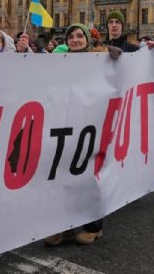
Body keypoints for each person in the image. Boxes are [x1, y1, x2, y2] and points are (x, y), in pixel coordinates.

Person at [43, 23, 120, 246]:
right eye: (71, 36)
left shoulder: (101, 58)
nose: (75, 39)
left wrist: (117, 58)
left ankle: (93, 227)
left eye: (79, 36)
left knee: (89, 177)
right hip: (66, 125)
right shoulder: (59, 61)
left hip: (92, 125)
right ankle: (64, 227)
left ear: (87, 39)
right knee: (63, 178)